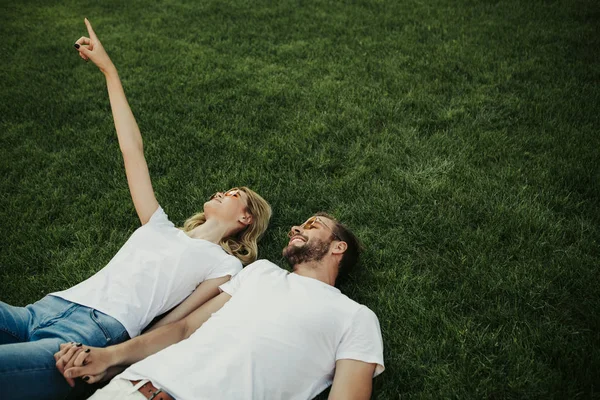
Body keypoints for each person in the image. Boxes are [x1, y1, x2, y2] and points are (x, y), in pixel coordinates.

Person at [0, 19, 272, 400]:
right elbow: (132, 150)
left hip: (86, 337)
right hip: (42, 310)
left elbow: (173, 325)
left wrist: (114, 361)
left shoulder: (226, 267)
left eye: (233, 194)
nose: (221, 191)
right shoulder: (158, 225)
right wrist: (109, 71)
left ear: (246, 219)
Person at [55, 213, 385, 400]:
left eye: (313, 225)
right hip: (130, 389)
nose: (297, 228)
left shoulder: (355, 317)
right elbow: (183, 329)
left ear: (338, 246)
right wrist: (109, 356)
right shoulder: (260, 272)